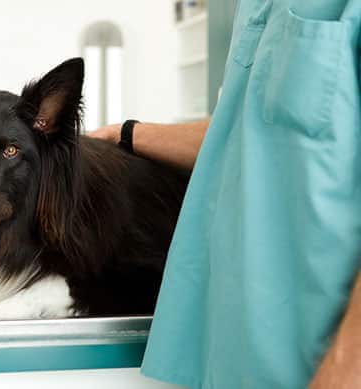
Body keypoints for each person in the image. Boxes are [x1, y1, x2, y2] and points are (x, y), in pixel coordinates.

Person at [89, 1, 361, 388]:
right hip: (239, 350)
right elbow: (246, 130)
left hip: (322, 360)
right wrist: (127, 134)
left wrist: (346, 369)